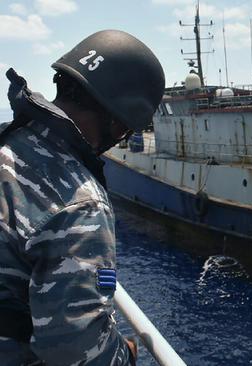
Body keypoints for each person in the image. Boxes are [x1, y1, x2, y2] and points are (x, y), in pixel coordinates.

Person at [0, 30, 164, 365]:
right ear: (118, 122)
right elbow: (77, 352)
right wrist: (124, 355)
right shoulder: (79, 201)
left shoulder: (9, 144)